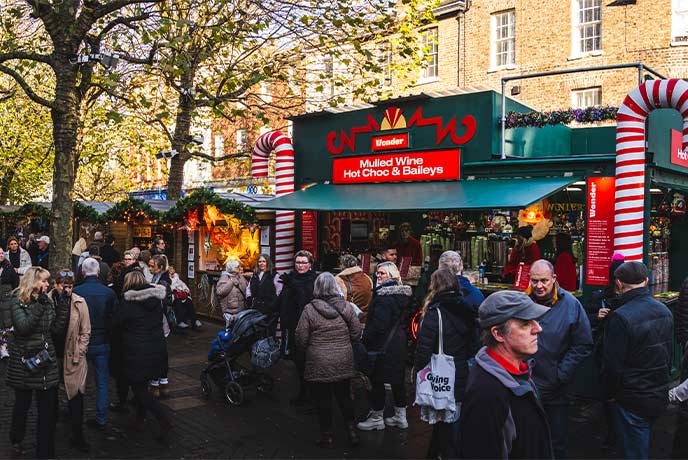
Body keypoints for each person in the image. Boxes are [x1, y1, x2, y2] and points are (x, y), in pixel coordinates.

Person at [459, 290, 552, 459]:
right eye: (525, 323)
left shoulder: (517, 373)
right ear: (498, 334)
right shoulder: (487, 393)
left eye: (535, 321)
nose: (538, 328)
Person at [601, 261, 673, 460]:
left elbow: (613, 366)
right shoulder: (664, 311)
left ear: (619, 283)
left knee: (633, 450)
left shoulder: (620, 318)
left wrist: (610, 394)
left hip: (632, 397)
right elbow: (667, 354)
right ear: (646, 281)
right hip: (657, 391)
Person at [526, 259, 592, 459]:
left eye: (544, 281)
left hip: (556, 389)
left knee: (557, 441)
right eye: (535, 281)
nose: (539, 286)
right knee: (527, 440)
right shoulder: (522, 301)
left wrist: (561, 374)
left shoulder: (571, 304)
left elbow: (583, 343)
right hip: (524, 385)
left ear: (554, 279)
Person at [5, 267, 68, 458]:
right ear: (33, 282)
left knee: (47, 411)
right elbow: (23, 328)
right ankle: (17, 438)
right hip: (24, 362)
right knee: (22, 405)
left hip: (45, 361)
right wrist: (40, 306)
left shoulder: (47, 300)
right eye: (44, 281)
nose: (47, 285)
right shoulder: (17, 300)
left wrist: (63, 306)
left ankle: (45, 450)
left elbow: (55, 329)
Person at [415, 269, 476, 459]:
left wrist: (418, 370)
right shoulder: (467, 310)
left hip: (440, 373)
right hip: (460, 371)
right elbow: (473, 345)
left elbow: (424, 348)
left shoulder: (435, 313)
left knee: (444, 425)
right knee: (451, 420)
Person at [295, 272, 362, 448]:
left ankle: (327, 436)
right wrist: (346, 342)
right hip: (343, 358)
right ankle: (352, 432)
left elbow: (301, 337)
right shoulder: (346, 306)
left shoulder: (309, 309)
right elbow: (356, 331)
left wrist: (307, 349)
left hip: (319, 360)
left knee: (323, 400)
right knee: (344, 396)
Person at [112, 270, 172, 438]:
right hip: (156, 349)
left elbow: (116, 323)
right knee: (143, 385)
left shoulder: (128, 303)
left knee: (139, 388)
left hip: (137, 351)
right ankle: (140, 418)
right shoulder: (155, 301)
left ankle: (163, 418)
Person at [357, 261, 412, 431]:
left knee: (377, 380)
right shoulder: (403, 296)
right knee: (397, 380)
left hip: (382, 344)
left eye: (382, 273)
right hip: (398, 342)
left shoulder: (383, 298)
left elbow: (378, 326)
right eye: (377, 273)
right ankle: (400, 416)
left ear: (392, 276)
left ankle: (376, 417)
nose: (378, 276)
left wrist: (364, 339)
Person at [584, 253, 626, 449]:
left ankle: (616, 435)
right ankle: (613, 435)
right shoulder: (600, 296)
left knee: (616, 395)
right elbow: (585, 317)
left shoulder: (631, 299)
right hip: (606, 350)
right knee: (609, 394)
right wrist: (596, 316)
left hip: (620, 353)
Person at [73, 258, 117, 429]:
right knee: (102, 382)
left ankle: (76, 415)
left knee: (77, 381)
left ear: (83, 272)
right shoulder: (108, 293)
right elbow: (114, 318)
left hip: (80, 343)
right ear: (98, 272)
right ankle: (102, 417)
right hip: (101, 342)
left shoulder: (76, 292)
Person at [50, 270, 91, 452]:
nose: (67, 289)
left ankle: (78, 436)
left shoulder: (79, 302)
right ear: (56, 284)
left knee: (76, 397)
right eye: (63, 286)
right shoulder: (47, 301)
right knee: (50, 398)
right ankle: (49, 434)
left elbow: (85, 331)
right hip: (52, 356)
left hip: (73, 356)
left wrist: (80, 352)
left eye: (70, 286)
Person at [274, 250, 317, 405]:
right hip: (290, 325)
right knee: (298, 363)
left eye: (304, 262)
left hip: (307, 328)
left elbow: (305, 299)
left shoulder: (314, 279)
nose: (300, 266)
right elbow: (281, 300)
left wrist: (292, 284)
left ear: (310, 264)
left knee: (307, 363)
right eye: (298, 262)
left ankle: (312, 398)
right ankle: (303, 394)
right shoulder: (290, 278)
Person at [148, 254, 172, 398]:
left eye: (152, 266)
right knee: (160, 353)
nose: (150, 268)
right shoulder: (157, 277)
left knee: (158, 354)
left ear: (161, 268)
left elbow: (161, 300)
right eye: (149, 265)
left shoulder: (163, 281)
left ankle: (157, 384)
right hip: (159, 322)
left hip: (159, 322)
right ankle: (162, 382)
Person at [335, 254, 373, 320]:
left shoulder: (340, 280)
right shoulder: (367, 277)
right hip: (366, 319)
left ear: (342, 265)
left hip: (350, 320)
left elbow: (338, 304)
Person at [0, 246, 20, 358]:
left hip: (7, 300)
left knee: (6, 325)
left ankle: (5, 347)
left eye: (2, 253)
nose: (1, 255)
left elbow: (15, 284)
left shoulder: (9, 268)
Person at [216, 259, 248, 325]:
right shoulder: (224, 277)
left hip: (241, 309)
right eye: (237, 267)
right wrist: (231, 282)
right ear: (232, 268)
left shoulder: (240, 277)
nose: (240, 268)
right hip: (229, 311)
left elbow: (246, 290)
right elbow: (220, 292)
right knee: (230, 330)